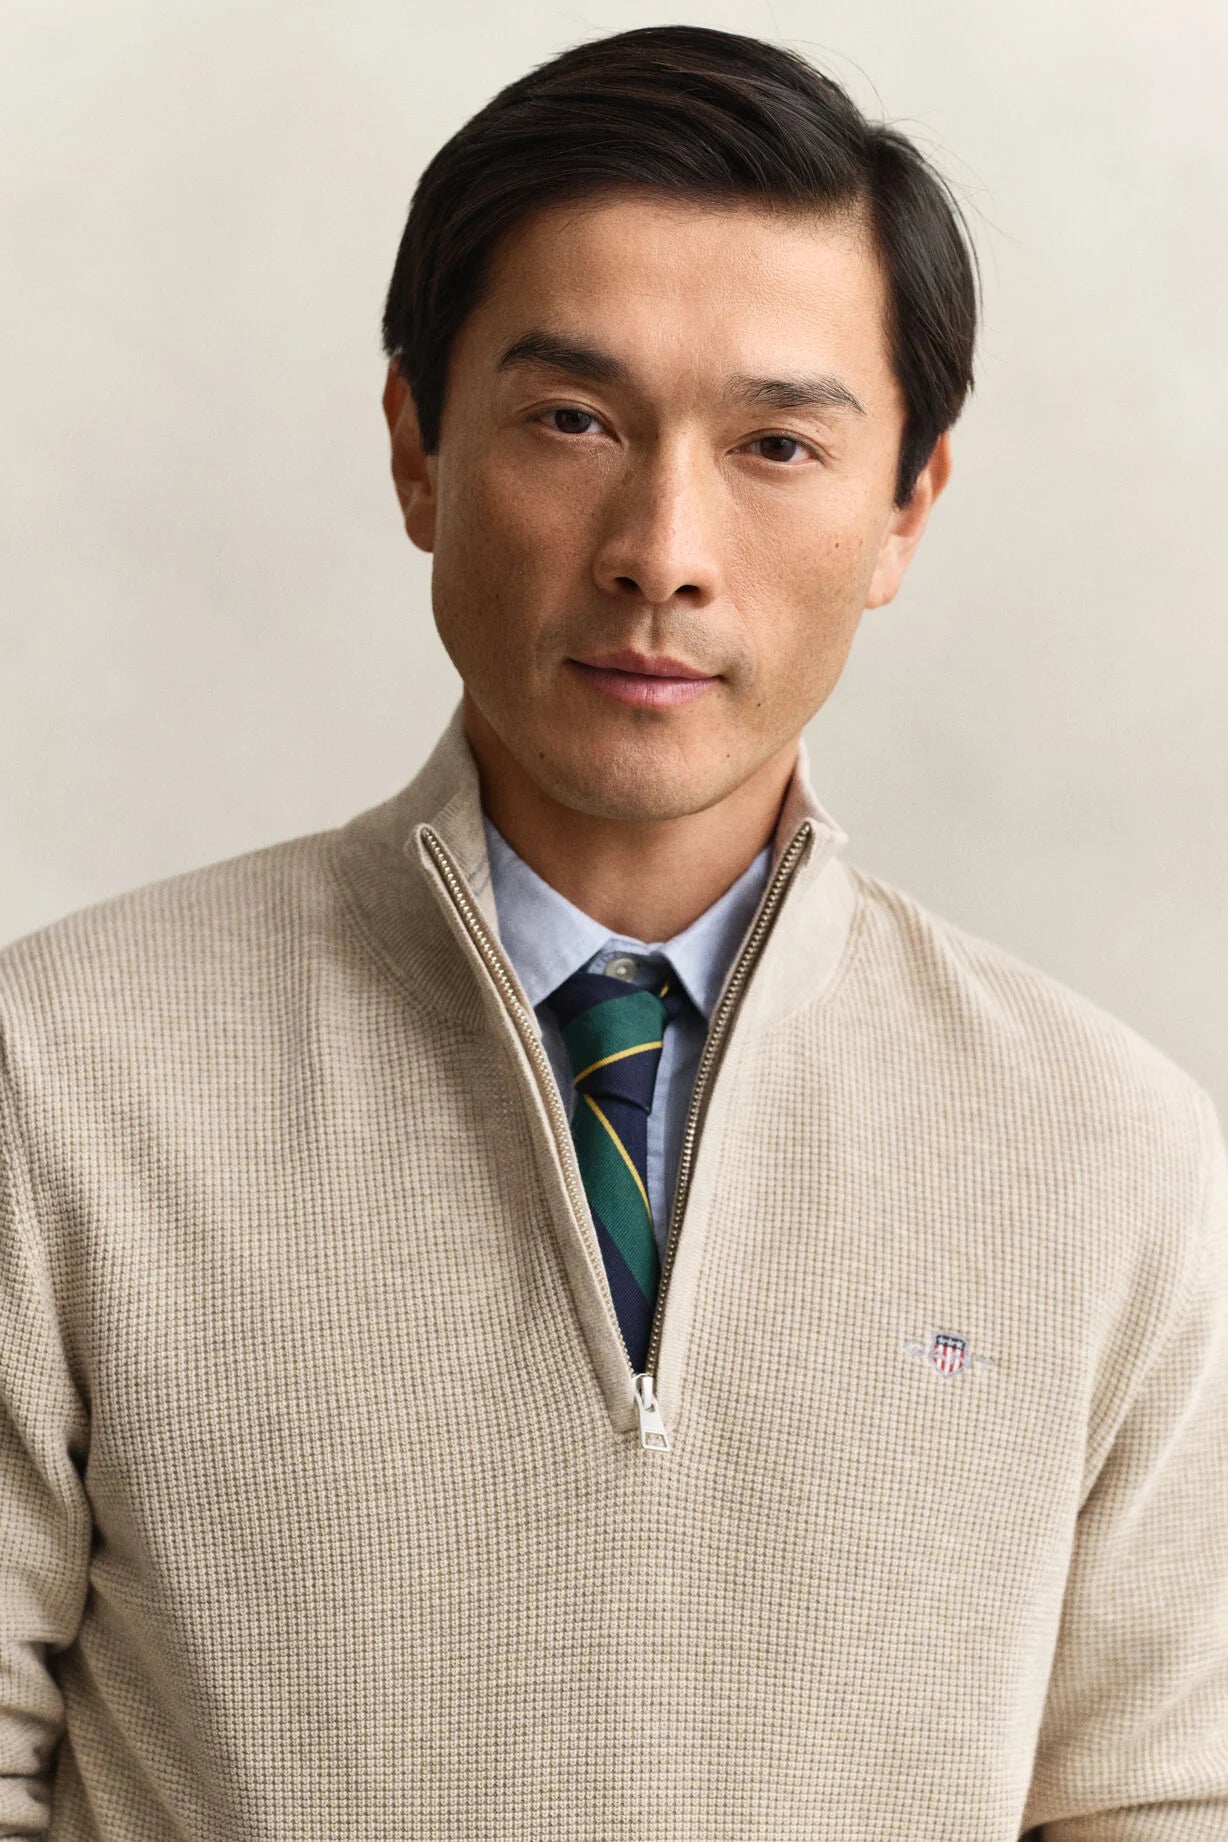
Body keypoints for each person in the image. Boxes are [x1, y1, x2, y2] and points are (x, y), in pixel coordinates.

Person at [1, 22, 1225, 1839]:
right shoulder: (59, 1074)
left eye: (777, 443)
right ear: (418, 448)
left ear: (907, 507)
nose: (663, 547)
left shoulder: (1107, 1155)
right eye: (574, 419)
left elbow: (1160, 1799)